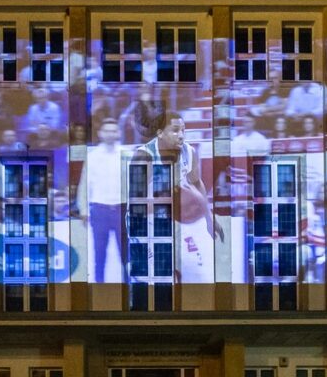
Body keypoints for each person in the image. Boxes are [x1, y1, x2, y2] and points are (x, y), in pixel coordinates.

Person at [131, 112, 223, 242]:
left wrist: (209, 218)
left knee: (192, 260)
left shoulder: (189, 152)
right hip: (145, 222)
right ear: (160, 133)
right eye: (175, 131)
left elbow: (196, 183)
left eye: (183, 130)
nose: (181, 135)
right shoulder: (144, 156)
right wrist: (172, 202)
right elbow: (135, 203)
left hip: (175, 220)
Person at [79, 118, 125, 283]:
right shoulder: (92, 157)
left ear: (118, 133)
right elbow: (84, 185)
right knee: (100, 256)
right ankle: (99, 290)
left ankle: (130, 294)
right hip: (100, 211)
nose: (111, 134)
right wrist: (83, 210)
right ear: (100, 134)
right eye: (107, 131)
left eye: (114, 131)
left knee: (126, 256)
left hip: (122, 210)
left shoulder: (126, 155)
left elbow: (136, 185)